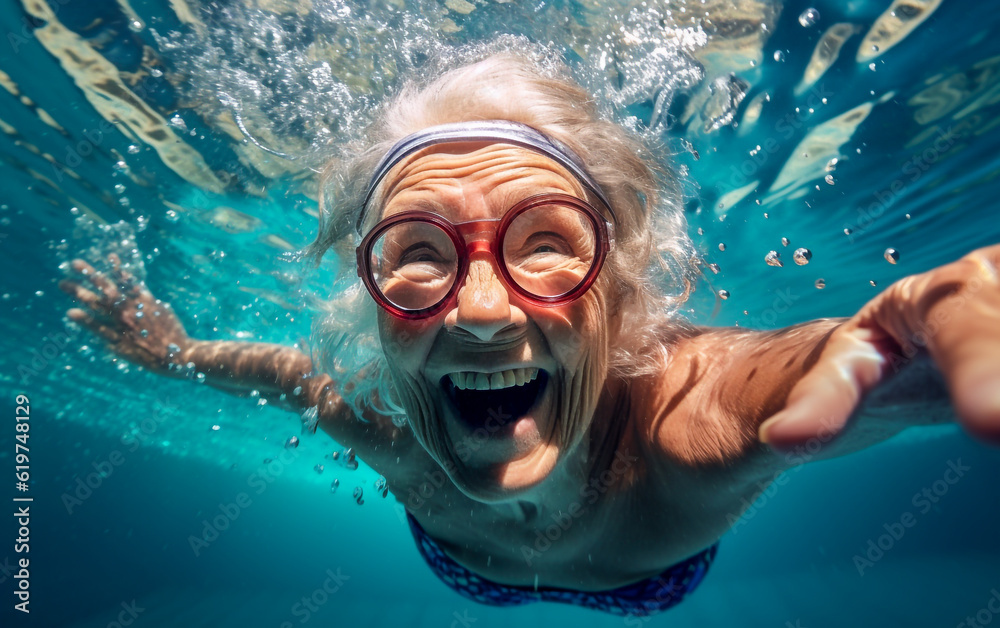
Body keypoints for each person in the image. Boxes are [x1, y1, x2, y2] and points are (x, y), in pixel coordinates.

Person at [60, 51, 1000, 617]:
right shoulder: (384, 420)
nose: (480, 309)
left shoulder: (679, 426)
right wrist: (171, 351)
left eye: (546, 243)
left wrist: (903, 346)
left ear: (621, 293)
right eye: (417, 252)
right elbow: (276, 372)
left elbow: (786, 369)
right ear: (370, 305)